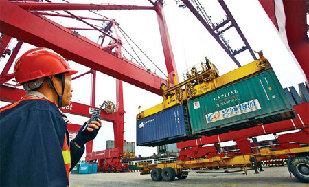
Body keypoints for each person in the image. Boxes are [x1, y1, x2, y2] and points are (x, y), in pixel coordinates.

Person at [0, 48, 102, 186]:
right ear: (51, 79)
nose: (71, 88)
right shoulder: (43, 115)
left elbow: (54, 167)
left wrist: (80, 141)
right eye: (68, 79)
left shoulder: (9, 114)